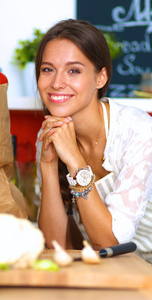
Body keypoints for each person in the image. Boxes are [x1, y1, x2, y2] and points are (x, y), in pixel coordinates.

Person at [35, 19, 152, 263]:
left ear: (101, 78)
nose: (56, 83)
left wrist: (76, 162)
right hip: (99, 268)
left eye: (74, 70)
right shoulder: (50, 134)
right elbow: (56, 245)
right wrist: (48, 164)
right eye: (48, 69)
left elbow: (109, 243)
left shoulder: (138, 131)